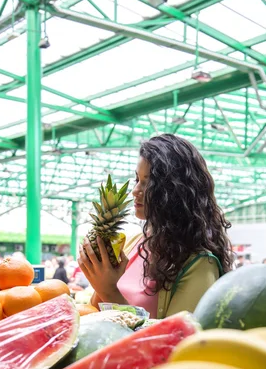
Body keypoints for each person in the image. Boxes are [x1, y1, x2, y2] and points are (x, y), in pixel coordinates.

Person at [78, 134, 234, 319]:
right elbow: (96, 314)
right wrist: (98, 278)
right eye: (137, 180)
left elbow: (175, 342)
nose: (135, 191)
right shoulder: (135, 243)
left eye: (149, 182)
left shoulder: (200, 265)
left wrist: (110, 290)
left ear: (175, 190)